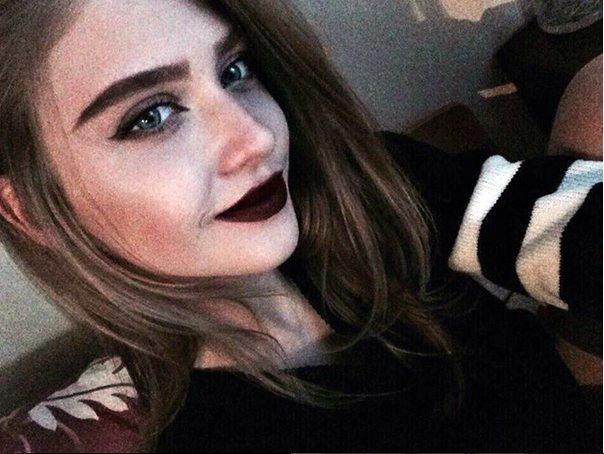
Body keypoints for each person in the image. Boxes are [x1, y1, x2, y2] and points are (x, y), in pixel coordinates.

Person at [0, 0, 600, 452]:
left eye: (234, 70)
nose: (257, 137)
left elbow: (565, 229)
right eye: (151, 116)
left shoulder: (356, 190)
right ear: (31, 208)